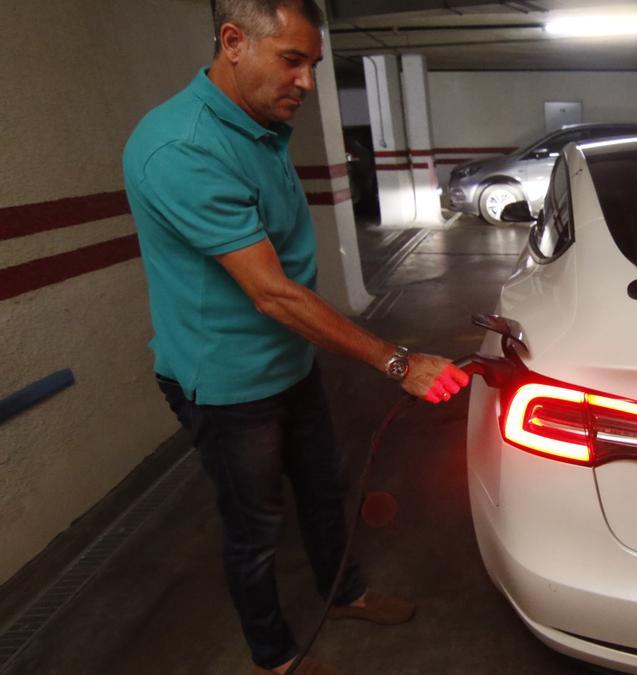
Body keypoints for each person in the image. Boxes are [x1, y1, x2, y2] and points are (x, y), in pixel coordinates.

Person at [122, 1, 469, 673]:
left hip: (287, 361)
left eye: (312, 64)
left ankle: (345, 592)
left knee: (324, 484)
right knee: (255, 528)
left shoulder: (258, 124)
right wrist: (398, 361)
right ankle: (274, 657)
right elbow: (271, 291)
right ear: (232, 42)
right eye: (291, 61)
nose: (307, 83)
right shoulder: (183, 147)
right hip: (224, 382)